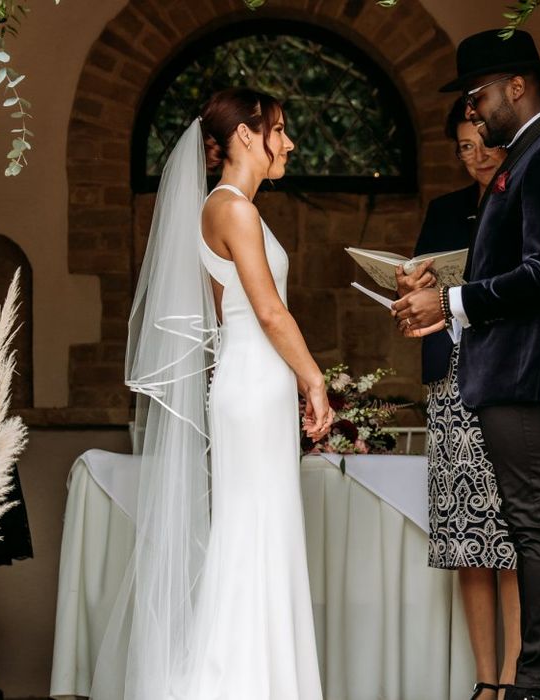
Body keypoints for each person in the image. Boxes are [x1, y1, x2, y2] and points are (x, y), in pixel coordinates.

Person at [90, 88, 333, 700]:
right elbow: (270, 313)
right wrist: (315, 379)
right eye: (280, 130)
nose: (289, 144)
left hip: (247, 381)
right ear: (247, 136)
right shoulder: (234, 210)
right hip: (254, 384)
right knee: (253, 531)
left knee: (258, 528)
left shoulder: (226, 208)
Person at [392, 30, 540, 700]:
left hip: (526, 373)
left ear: (518, 85)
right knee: (530, 523)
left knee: (535, 525)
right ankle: (536, 683)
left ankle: (539, 684)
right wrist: (444, 292)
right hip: (504, 373)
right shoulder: (528, 158)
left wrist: (449, 299)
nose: (473, 112)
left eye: (478, 96)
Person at [395, 98, 520, 700]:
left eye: (483, 143)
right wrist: (411, 284)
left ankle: (518, 680)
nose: (475, 157)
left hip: (506, 382)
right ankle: (485, 683)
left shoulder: (522, 197)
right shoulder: (445, 209)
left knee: (512, 541)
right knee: (468, 538)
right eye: (464, 148)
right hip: (450, 384)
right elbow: (420, 278)